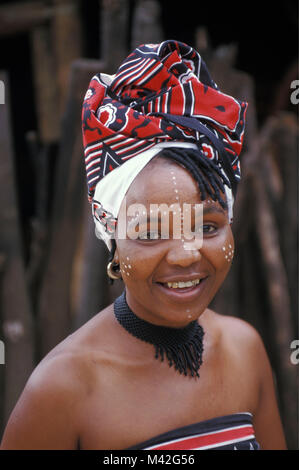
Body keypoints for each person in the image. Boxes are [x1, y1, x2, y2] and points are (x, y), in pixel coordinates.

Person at [0, 40, 286, 450]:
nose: (187, 253)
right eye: (151, 233)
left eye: (207, 227)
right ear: (111, 239)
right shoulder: (62, 390)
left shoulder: (244, 349)